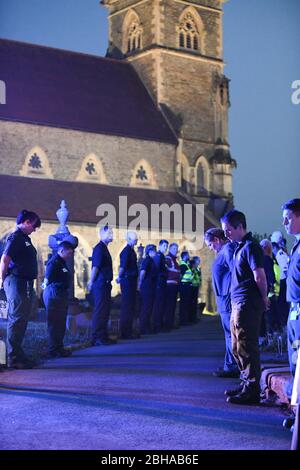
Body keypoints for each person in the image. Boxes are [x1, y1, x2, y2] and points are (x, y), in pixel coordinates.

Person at [221, 209, 269, 405]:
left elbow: (260, 275)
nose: (226, 234)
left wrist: (264, 297)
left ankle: (252, 389)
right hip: (237, 303)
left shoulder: (251, 247)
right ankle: (245, 383)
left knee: (246, 346)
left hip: (247, 303)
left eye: (229, 230)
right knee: (237, 346)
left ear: (240, 227)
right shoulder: (239, 247)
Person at [0, 209, 41, 369]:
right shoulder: (16, 237)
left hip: (23, 283)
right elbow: (5, 259)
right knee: (17, 318)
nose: (35, 229)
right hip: (16, 281)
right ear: (26, 222)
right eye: (34, 225)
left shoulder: (24, 238)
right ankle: (13, 357)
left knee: (21, 318)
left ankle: (17, 353)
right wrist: (1, 280)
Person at [205, 228, 239, 378]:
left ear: (217, 240)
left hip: (227, 299)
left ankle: (233, 367)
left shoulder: (228, 250)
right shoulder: (224, 251)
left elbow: (236, 272)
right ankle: (230, 364)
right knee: (229, 334)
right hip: (224, 298)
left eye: (210, 245)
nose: (210, 248)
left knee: (231, 334)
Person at [42, 241, 74, 358]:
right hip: (54, 294)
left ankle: (59, 347)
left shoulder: (62, 262)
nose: (70, 256)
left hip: (60, 294)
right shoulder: (54, 262)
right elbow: (47, 280)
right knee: (54, 323)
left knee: (60, 323)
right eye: (69, 253)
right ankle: (53, 350)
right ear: (61, 251)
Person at [282, 199, 300, 398]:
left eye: (288, 218)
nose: (285, 223)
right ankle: (295, 413)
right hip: (294, 309)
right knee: (295, 359)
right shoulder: (296, 246)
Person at [87, 225, 115, 346]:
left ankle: (103, 335)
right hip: (100, 284)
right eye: (109, 233)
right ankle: (97, 337)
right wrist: (91, 281)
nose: (112, 235)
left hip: (105, 284)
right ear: (101, 234)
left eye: (112, 233)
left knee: (105, 311)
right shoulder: (99, 249)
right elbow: (96, 266)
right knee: (100, 310)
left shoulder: (104, 248)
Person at [117, 231, 139, 339]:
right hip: (127, 281)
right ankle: (125, 332)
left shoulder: (131, 251)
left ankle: (128, 330)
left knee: (130, 306)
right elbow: (123, 267)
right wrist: (119, 277)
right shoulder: (127, 252)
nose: (136, 241)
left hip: (130, 281)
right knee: (127, 306)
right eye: (135, 239)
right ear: (129, 239)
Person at [138, 244, 157, 334]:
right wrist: (140, 283)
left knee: (149, 307)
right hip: (147, 287)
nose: (155, 252)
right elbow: (143, 272)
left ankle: (147, 326)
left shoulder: (151, 261)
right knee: (146, 307)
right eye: (154, 251)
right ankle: (143, 328)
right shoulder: (147, 260)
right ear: (149, 251)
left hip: (151, 286)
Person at [152, 240, 169, 333]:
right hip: (159, 283)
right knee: (158, 305)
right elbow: (157, 270)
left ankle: (160, 324)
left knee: (161, 304)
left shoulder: (162, 256)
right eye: (164, 246)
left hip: (162, 282)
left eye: (166, 246)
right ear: (160, 246)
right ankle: (157, 325)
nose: (165, 248)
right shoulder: (159, 256)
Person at [165, 243, 180, 331]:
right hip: (169, 285)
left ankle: (170, 323)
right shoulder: (168, 258)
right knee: (169, 306)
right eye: (174, 248)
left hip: (174, 285)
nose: (175, 250)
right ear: (170, 249)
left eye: (176, 248)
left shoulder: (174, 260)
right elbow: (167, 270)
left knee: (173, 306)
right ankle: (167, 324)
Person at [179, 251, 193, 326]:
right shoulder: (183, 265)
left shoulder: (186, 265)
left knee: (186, 303)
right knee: (184, 304)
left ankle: (185, 320)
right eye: (187, 255)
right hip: (184, 286)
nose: (188, 256)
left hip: (186, 285)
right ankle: (183, 321)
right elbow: (181, 276)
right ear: (184, 256)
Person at [190, 256, 202, 324]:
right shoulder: (193, 268)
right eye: (198, 261)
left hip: (196, 286)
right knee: (192, 303)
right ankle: (192, 318)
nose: (199, 262)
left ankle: (194, 317)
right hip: (192, 287)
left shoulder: (198, 269)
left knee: (195, 303)